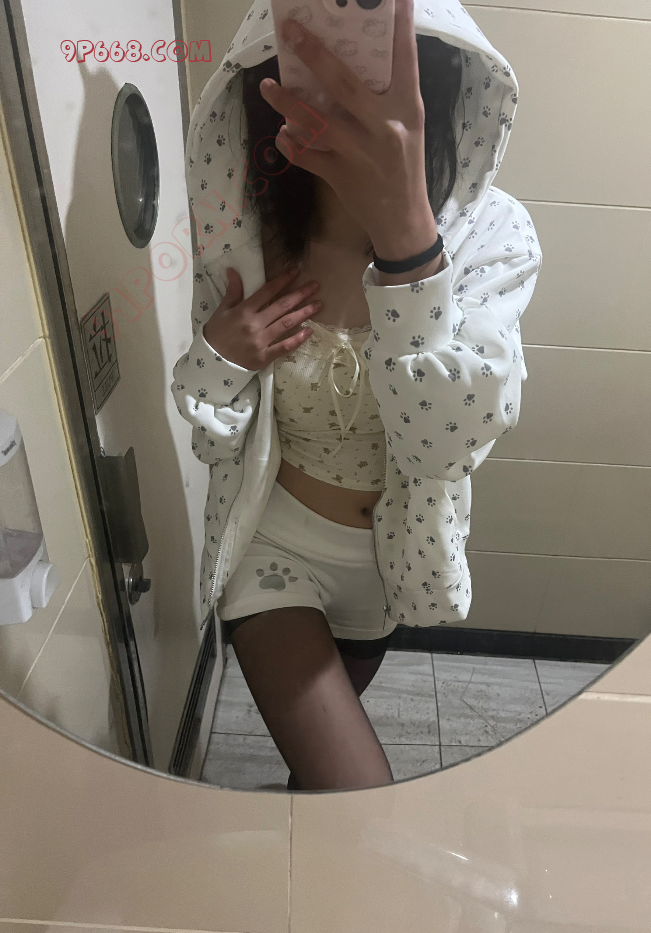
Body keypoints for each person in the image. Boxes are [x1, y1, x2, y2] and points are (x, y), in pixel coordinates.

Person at [171, 0, 542, 792]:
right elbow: (214, 434)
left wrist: (409, 244)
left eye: (376, 70)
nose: (345, 98)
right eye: (310, 68)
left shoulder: (494, 238)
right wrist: (218, 354)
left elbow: (444, 446)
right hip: (273, 552)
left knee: (318, 789)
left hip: (387, 567)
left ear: (440, 84)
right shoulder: (248, 229)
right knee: (356, 791)